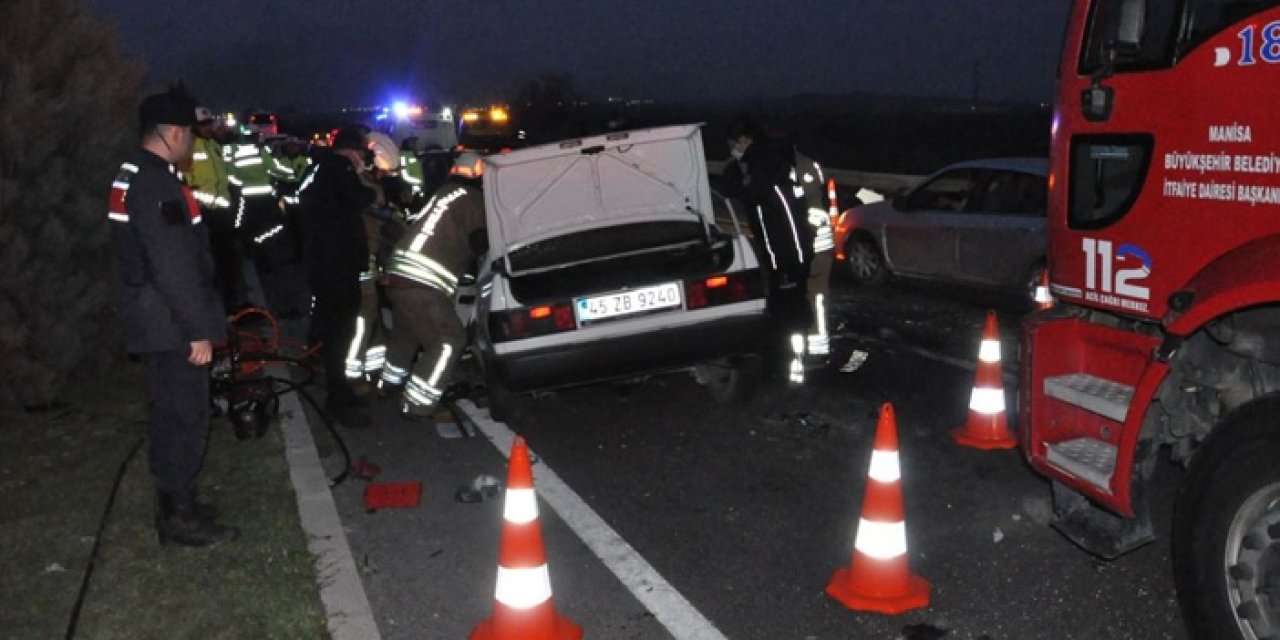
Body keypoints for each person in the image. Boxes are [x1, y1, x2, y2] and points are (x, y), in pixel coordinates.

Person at [107, 85, 238, 547]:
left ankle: (177, 500)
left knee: (169, 413)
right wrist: (196, 331)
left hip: (155, 318)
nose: (193, 146)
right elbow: (173, 263)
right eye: (191, 136)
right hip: (170, 322)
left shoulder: (134, 172)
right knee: (184, 416)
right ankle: (178, 516)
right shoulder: (157, 182)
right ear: (175, 133)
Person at [379, 178, 487, 421]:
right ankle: (417, 405)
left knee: (406, 333)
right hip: (422, 281)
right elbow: (481, 242)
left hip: (397, 273)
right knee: (450, 341)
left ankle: (390, 384)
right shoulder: (475, 200)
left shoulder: (445, 193)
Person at [296, 126, 381, 428]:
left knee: (333, 332)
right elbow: (359, 198)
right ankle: (338, 402)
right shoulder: (340, 169)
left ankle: (341, 392)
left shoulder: (318, 169)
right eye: (361, 154)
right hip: (337, 267)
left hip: (324, 264)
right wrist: (368, 183)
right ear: (353, 151)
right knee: (339, 337)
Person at [723, 116, 813, 384]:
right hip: (790, 248)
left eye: (734, 143)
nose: (733, 149)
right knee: (791, 304)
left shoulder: (763, 163)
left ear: (745, 139)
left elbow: (748, 193)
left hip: (784, 250)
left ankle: (788, 365)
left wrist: (733, 174)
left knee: (785, 309)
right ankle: (793, 359)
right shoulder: (773, 160)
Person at [187, 105, 247, 312]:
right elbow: (185, 182)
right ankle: (218, 309)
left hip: (222, 214)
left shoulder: (213, 145)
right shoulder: (190, 147)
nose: (206, 127)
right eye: (202, 124)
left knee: (228, 261)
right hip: (203, 214)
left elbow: (222, 176)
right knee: (210, 265)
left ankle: (232, 307)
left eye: (208, 123)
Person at [791, 148, 834, 363]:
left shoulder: (791, 169)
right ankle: (818, 346)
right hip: (821, 244)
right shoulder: (811, 164)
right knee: (818, 297)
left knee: (811, 296)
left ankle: (811, 349)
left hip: (810, 244)